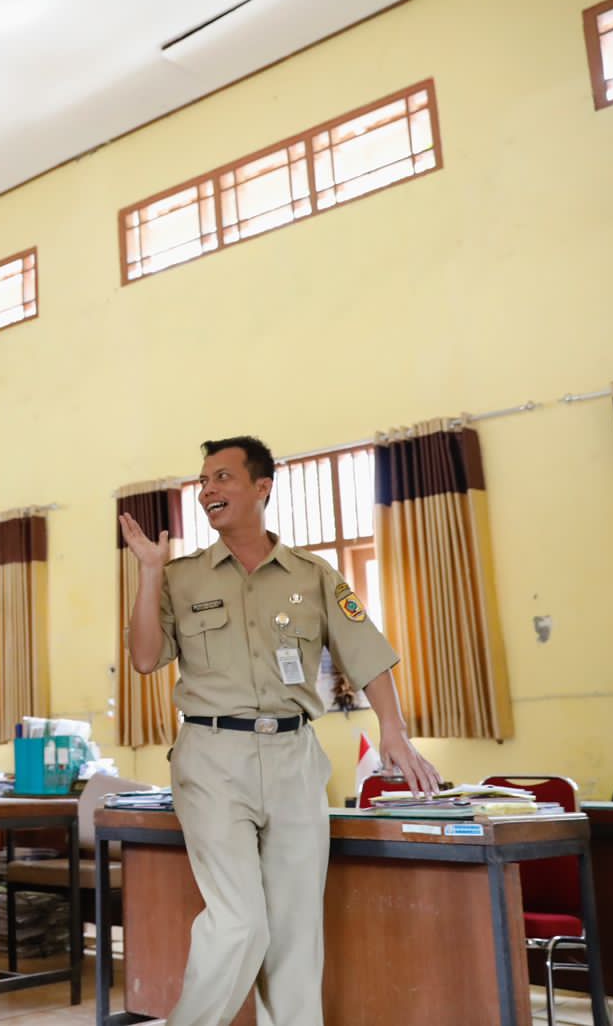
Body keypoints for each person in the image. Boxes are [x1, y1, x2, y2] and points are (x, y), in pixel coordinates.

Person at [120, 436, 440, 1026]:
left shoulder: (313, 575)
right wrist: (148, 574)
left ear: (262, 487)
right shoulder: (180, 577)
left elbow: (365, 653)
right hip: (213, 756)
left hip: (295, 754)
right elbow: (144, 658)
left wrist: (393, 731)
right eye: (203, 481)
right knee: (240, 919)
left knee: (295, 931)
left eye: (222, 477)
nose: (208, 490)